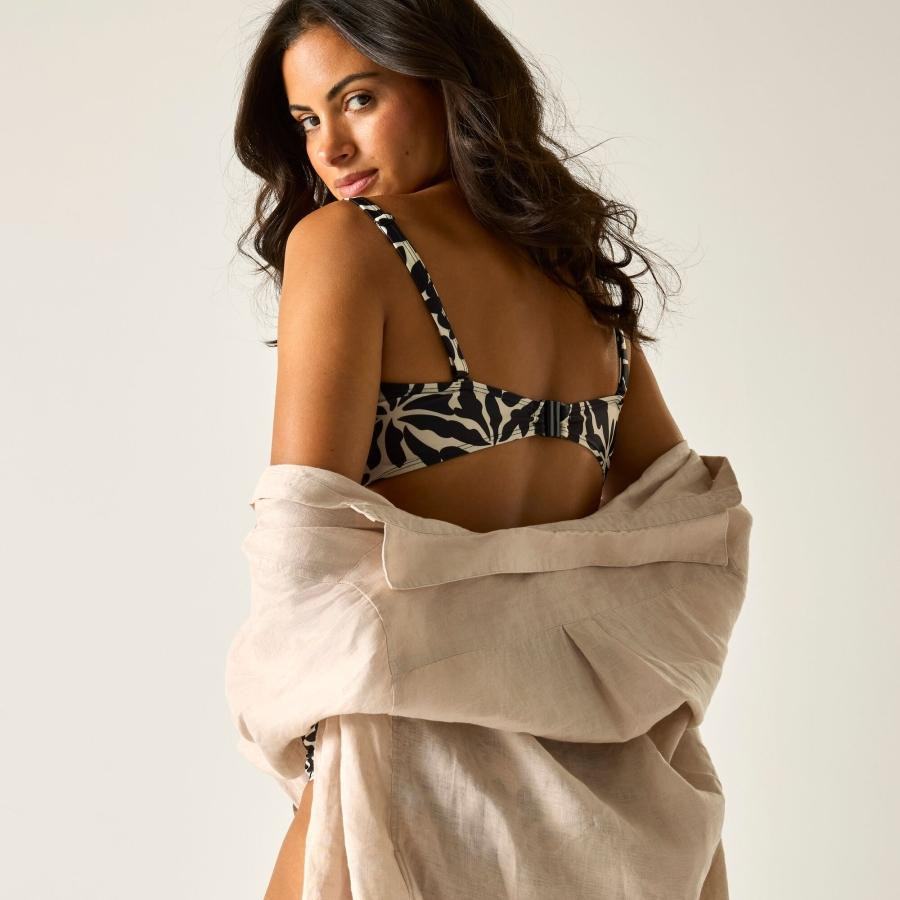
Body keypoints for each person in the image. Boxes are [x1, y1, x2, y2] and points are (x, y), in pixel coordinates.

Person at [233, 1, 686, 896]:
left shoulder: (347, 243)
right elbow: (687, 533)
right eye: (308, 120)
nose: (331, 149)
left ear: (450, 83)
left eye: (359, 100)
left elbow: (304, 550)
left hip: (410, 776)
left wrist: (314, 760)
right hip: (603, 801)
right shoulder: (576, 278)